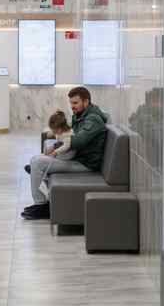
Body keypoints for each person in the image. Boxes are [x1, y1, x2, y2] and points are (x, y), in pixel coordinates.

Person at [22, 86, 108, 220]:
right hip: (77, 157)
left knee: (38, 163)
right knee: (36, 160)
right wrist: (55, 145)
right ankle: (39, 177)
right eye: (71, 103)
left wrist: (56, 148)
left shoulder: (93, 119)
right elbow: (69, 136)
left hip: (85, 164)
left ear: (86, 102)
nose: (72, 106)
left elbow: (78, 140)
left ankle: (41, 206)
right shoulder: (81, 116)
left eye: (75, 103)